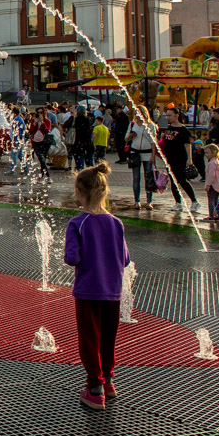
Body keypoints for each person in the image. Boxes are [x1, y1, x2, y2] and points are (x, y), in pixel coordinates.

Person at [63, 162, 130, 411]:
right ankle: (109, 382)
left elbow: (73, 258)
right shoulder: (117, 223)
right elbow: (125, 259)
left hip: (88, 291)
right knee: (108, 339)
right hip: (113, 291)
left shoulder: (77, 223)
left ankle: (95, 389)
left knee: (89, 340)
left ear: (80, 193)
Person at [158, 108, 198, 213]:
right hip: (170, 158)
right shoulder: (168, 128)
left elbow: (187, 145)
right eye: (167, 116)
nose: (168, 118)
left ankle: (194, 201)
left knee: (182, 180)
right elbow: (166, 142)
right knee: (173, 181)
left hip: (180, 158)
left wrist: (189, 158)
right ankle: (178, 203)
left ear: (177, 115)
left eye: (170, 115)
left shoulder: (183, 130)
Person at [202, 144, 219, 222]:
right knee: (216, 200)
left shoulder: (211, 163)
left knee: (211, 200)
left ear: (213, 152)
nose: (206, 155)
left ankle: (212, 216)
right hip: (218, 185)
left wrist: (208, 184)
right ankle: (217, 216)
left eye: (207, 153)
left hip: (212, 185)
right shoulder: (217, 162)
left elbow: (211, 175)